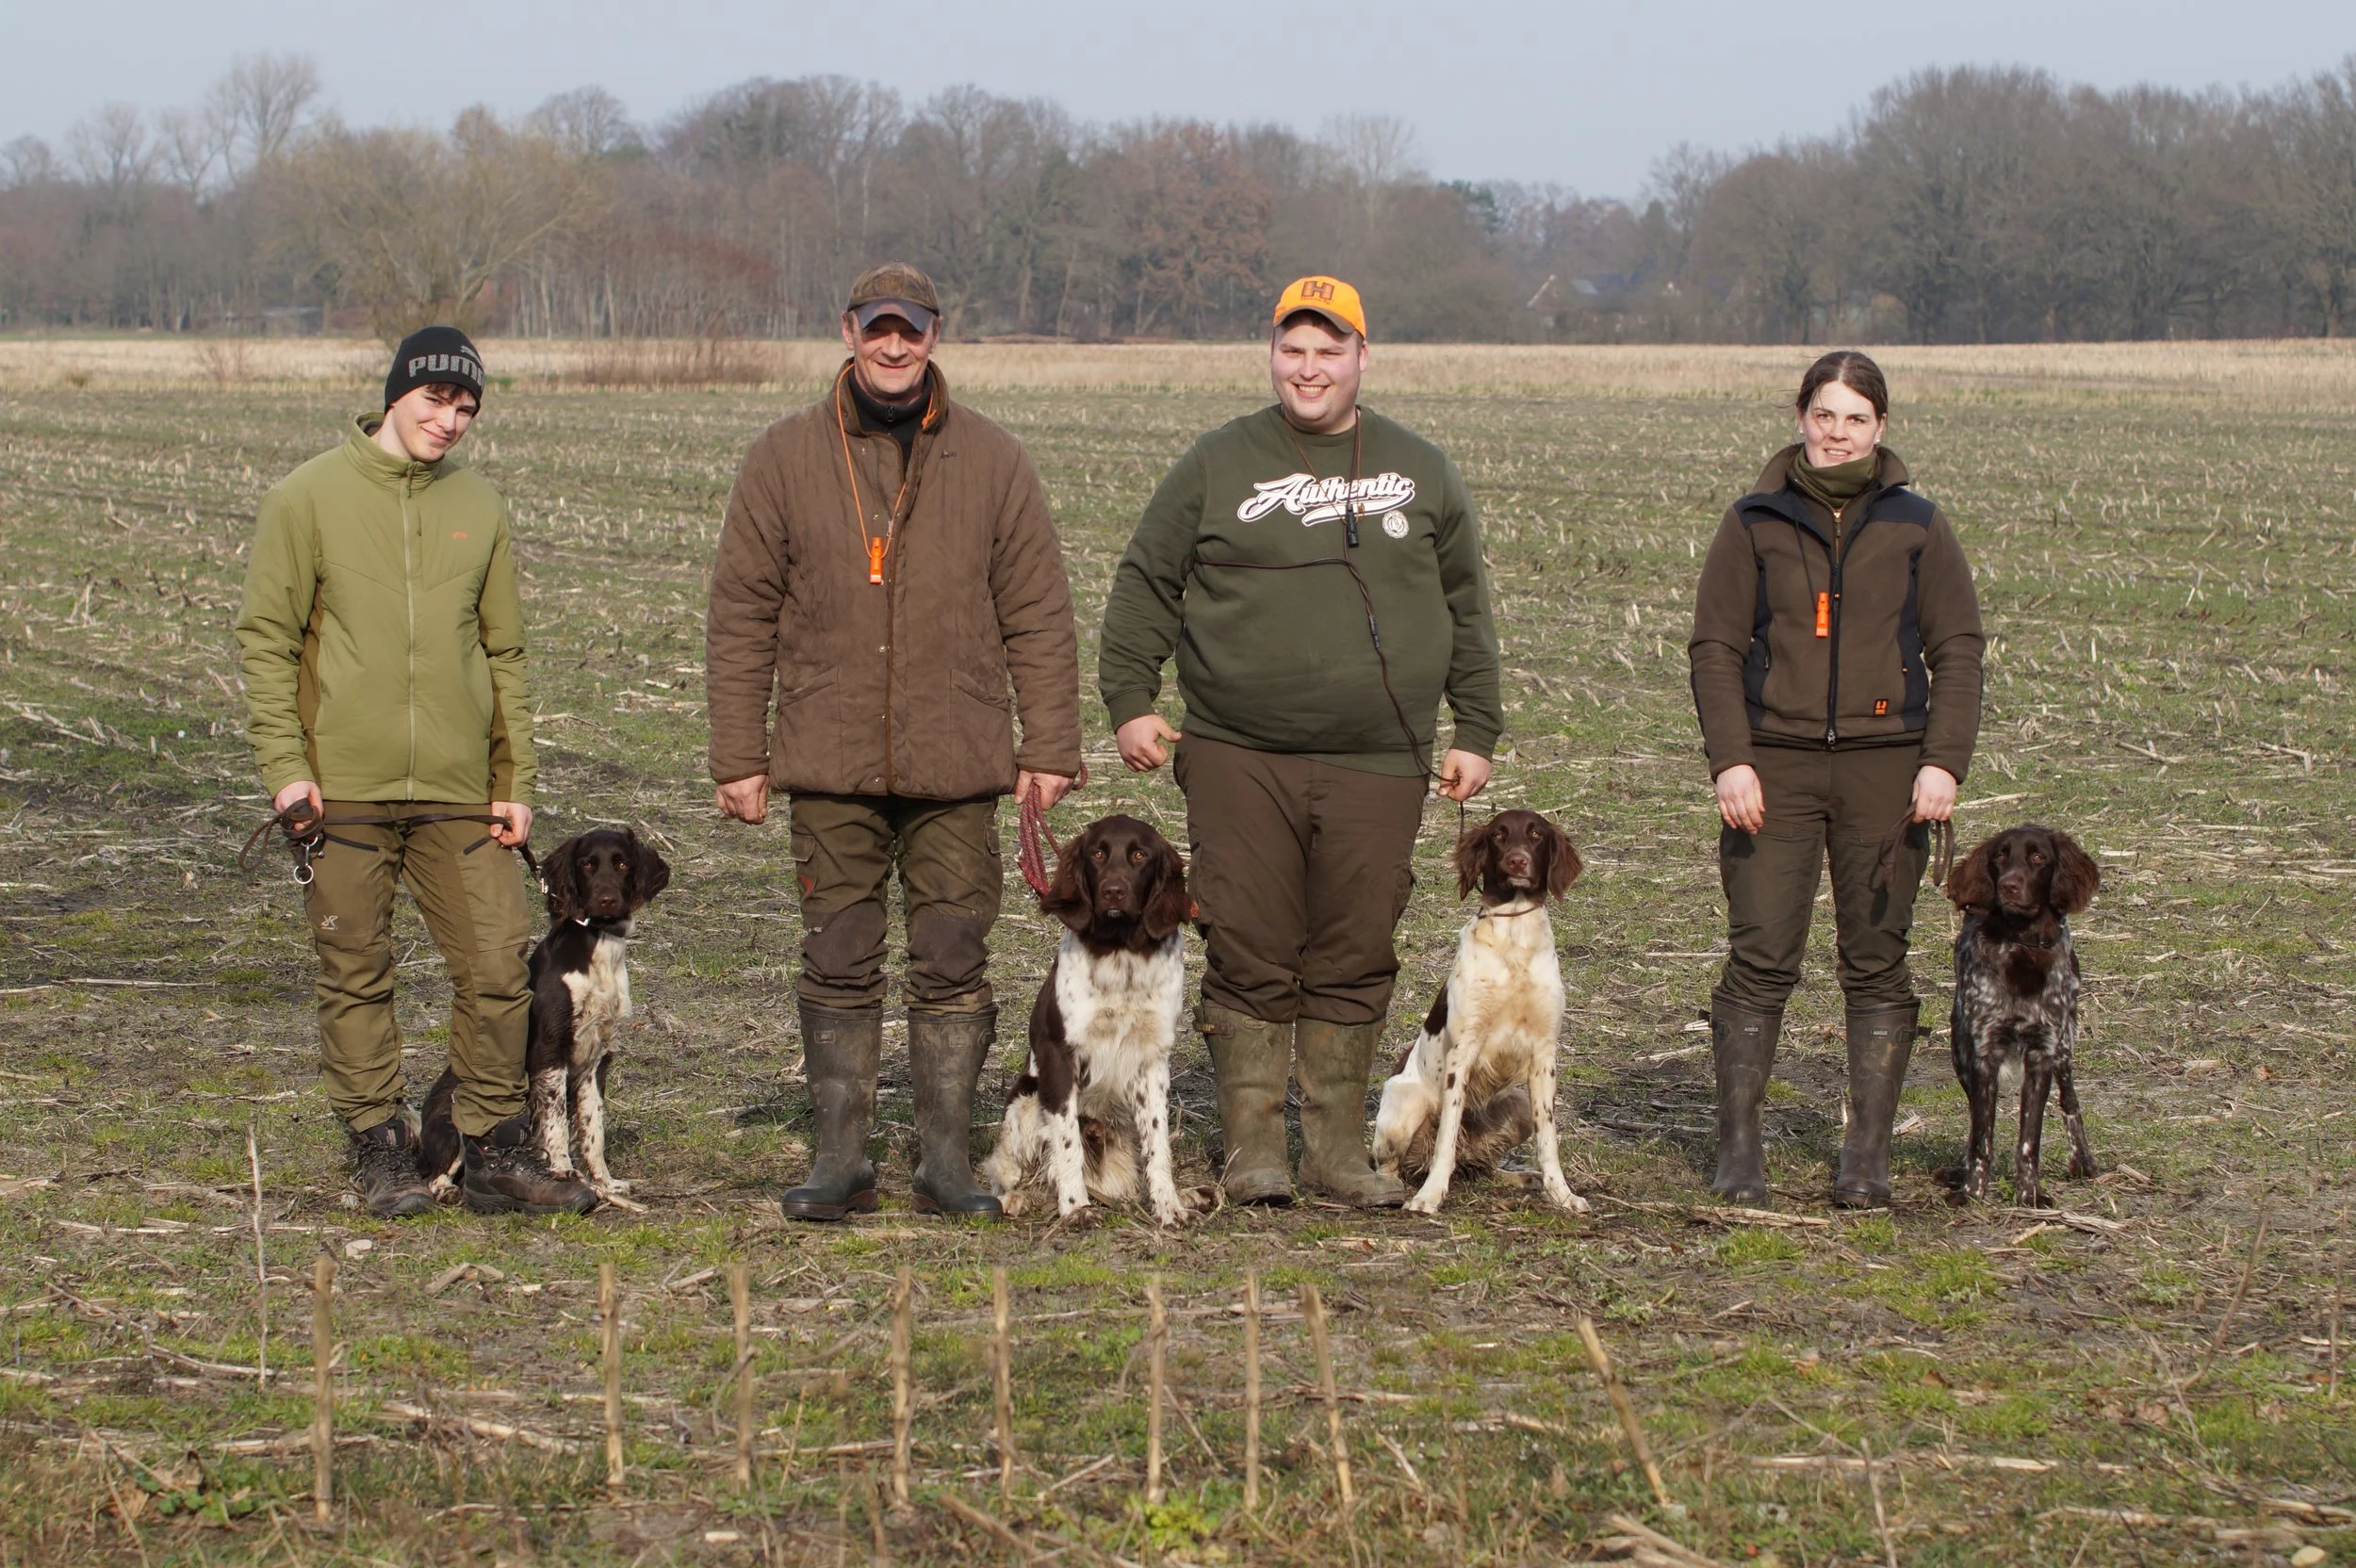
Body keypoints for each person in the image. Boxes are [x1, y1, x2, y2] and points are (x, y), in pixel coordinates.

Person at [1098, 275, 1502, 1209]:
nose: (1309, 368)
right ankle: (1253, 1151)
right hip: (1238, 752)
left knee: (1355, 944)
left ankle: (1334, 1151)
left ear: (1363, 357)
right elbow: (1146, 580)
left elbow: (1467, 606)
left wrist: (1475, 727)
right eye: (1293, 349)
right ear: (1271, 355)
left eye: (1329, 350)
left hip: (1380, 758)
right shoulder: (1217, 461)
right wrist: (1129, 700)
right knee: (1248, 939)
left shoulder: (1421, 468)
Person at [706, 262, 1082, 1223]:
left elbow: (1038, 611)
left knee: (953, 955)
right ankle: (841, 1159)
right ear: (847, 332)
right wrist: (737, 754)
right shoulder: (783, 457)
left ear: (934, 335)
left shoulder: (993, 459)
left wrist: (1048, 744)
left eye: (908, 329)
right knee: (837, 954)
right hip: (827, 753)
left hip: (956, 758)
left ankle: (945, 1163)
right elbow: (741, 613)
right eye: (876, 328)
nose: (892, 344)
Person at [235, 327, 594, 1218]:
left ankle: (494, 1148)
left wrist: (513, 778)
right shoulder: (305, 498)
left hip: (458, 789)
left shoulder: (479, 506)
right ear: (395, 392)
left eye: (467, 408)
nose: (451, 420)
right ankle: (379, 1148)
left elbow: (505, 653)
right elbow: (268, 643)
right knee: (356, 970)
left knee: (499, 967)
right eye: (437, 399)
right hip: (341, 790)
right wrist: (287, 770)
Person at [1687, 350, 1984, 1209]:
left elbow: (1959, 648)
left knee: (1878, 962)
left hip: (1887, 771)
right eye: (1825, 415)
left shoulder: (1918, 526)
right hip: (1772, 767)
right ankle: (1740, 1153)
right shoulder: (1752, 521)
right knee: (1760, 956)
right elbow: (1715, 648)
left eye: (1856, 418)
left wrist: (1943, 762)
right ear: (1801, 419)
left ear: (1881, 427)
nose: (1838, 433)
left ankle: (1866, 1161)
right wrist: (1731, 759)